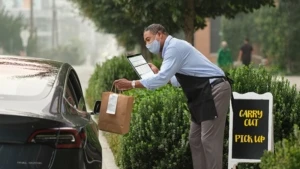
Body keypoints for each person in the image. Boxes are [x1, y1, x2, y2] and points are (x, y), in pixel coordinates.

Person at [114, 23, 232, 169]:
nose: (147, 44)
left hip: (214, 89)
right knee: (195, 139)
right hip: (201, 93)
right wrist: (158, 74)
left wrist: (131, 84)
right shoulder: (171, 49)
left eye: (149, 39)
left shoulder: (173, 48)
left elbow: (162, 80)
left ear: (160, 34)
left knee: (208, 139)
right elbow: (175, 81)